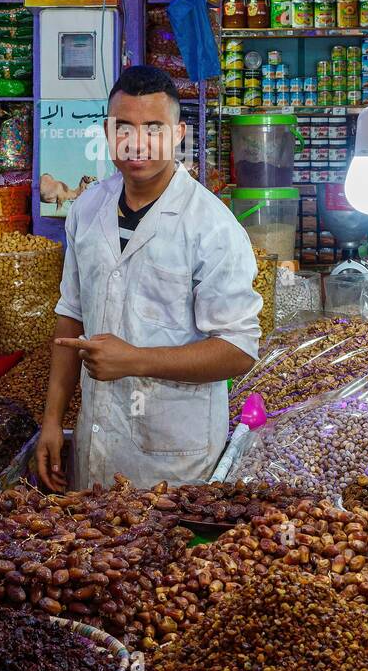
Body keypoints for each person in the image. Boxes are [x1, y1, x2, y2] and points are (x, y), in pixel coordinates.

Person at [36, 65, 262, 492]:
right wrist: (52, 420)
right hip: (96, 444)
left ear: (178, 135)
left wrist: (135, 359)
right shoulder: (87, 209)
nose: (136, 143)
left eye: (153, 128)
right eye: (124, 127)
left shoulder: (211, 225)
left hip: (173, 460)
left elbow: (238, 350)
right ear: (107, 132)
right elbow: (71, 317)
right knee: (92, 554)